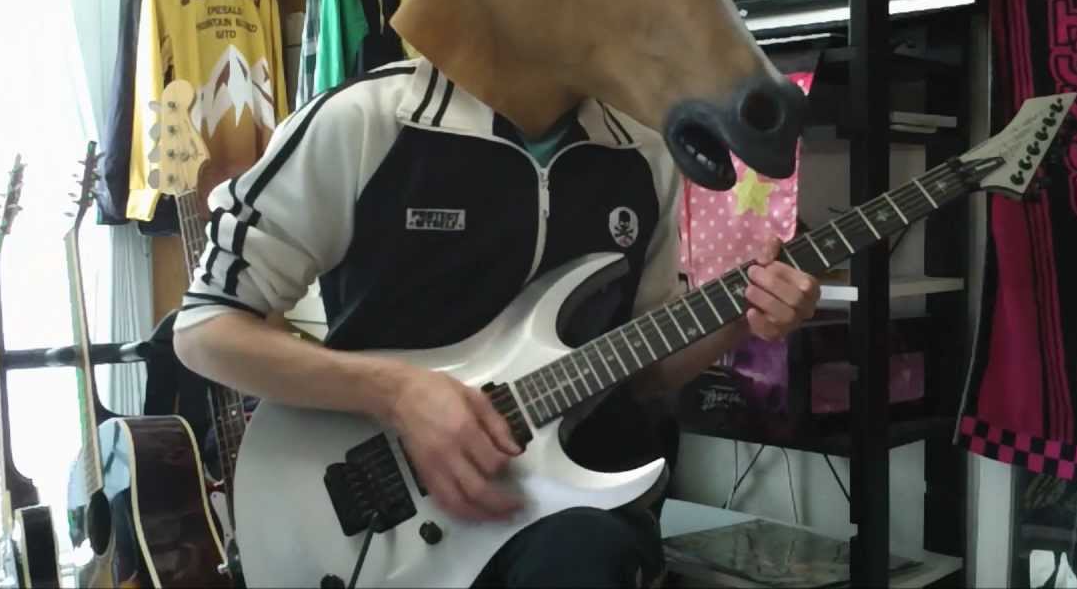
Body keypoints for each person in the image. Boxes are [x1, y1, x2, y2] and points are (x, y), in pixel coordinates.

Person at [172, 56, 821, 587]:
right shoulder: (365, 119)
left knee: (585, 553)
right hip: (372, 511)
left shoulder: (642, 154)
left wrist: (741, 318)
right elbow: (205, 330)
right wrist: (397, 394)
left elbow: (642, 372)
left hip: (564, 514)